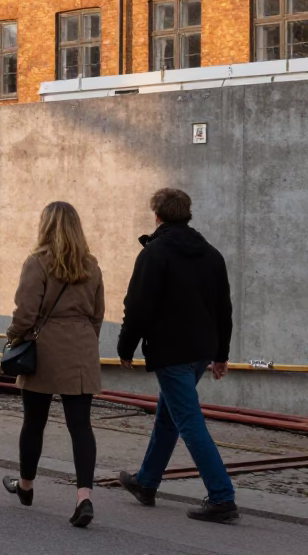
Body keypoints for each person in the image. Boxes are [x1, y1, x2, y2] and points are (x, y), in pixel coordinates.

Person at [117, 188, 239, 523]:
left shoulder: (154, 253)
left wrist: (125, 347)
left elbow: (137, 306)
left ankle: (222, 497)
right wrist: (221, 354)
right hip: (200, 351)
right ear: (187, 214)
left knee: (188, 420)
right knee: (169, 415)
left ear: (156, 215)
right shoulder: (212, 255)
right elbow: (224, 309)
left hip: (170, 351)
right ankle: (146, 482)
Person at [2, 202, 104, 528]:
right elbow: (98, 314)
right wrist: (85, 340)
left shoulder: (37, 263)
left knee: (34, 421)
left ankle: (26, 485)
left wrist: (13, 338)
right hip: (82, 347)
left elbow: (25, 313)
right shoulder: (92, 265)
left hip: (44, 349)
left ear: (45, 226)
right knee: (81, 426)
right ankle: (84, 497)